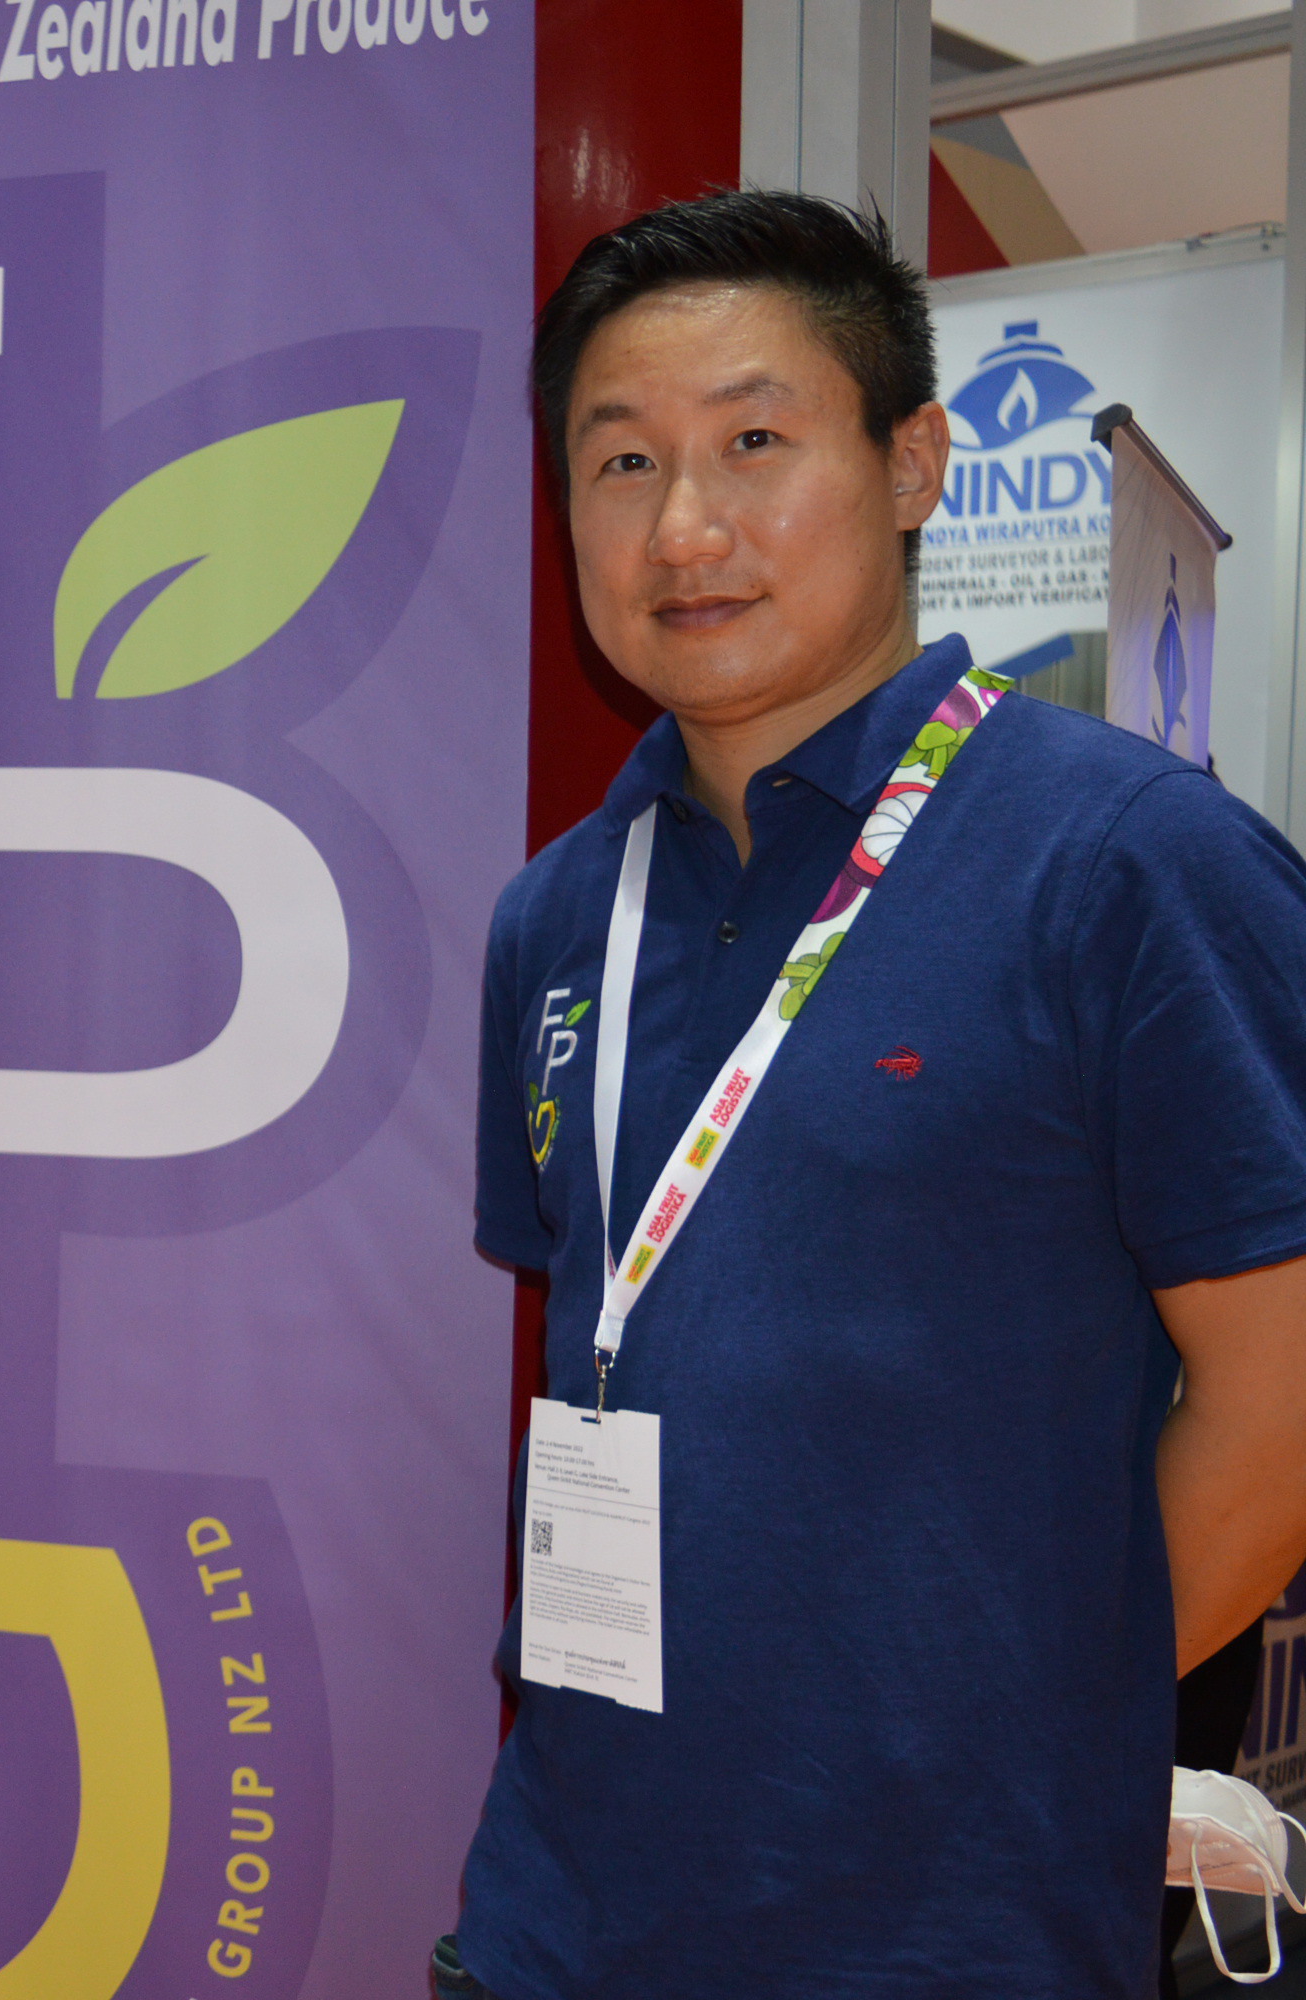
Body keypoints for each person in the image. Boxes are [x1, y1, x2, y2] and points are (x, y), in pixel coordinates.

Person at [437, 189, 1306, 1999]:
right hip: (562, 1909)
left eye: (754, 442)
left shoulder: (1128, 864)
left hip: (942, 1925)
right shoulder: (558, 913)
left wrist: (1005, 1716)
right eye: (621, 462)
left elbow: (1281, 1404)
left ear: (914, 463)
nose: (685, 527)